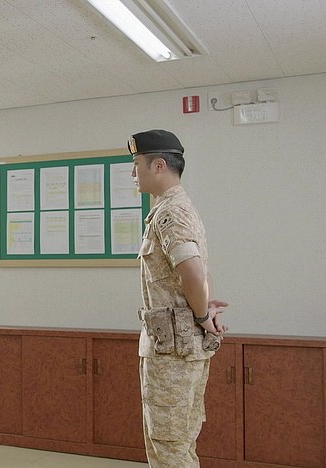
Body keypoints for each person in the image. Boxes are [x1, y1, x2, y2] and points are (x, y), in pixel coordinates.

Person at [129, 129, 229, 467]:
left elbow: (193, 273)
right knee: (177, 444)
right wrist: (206, 308)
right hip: (176, 345)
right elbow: (199, 272)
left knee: (169, 445)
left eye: (137, 164)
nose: (133, 173)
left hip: (173, 351)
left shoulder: (170, 212)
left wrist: (202, 315)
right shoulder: (178, 208)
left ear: (158, 165)